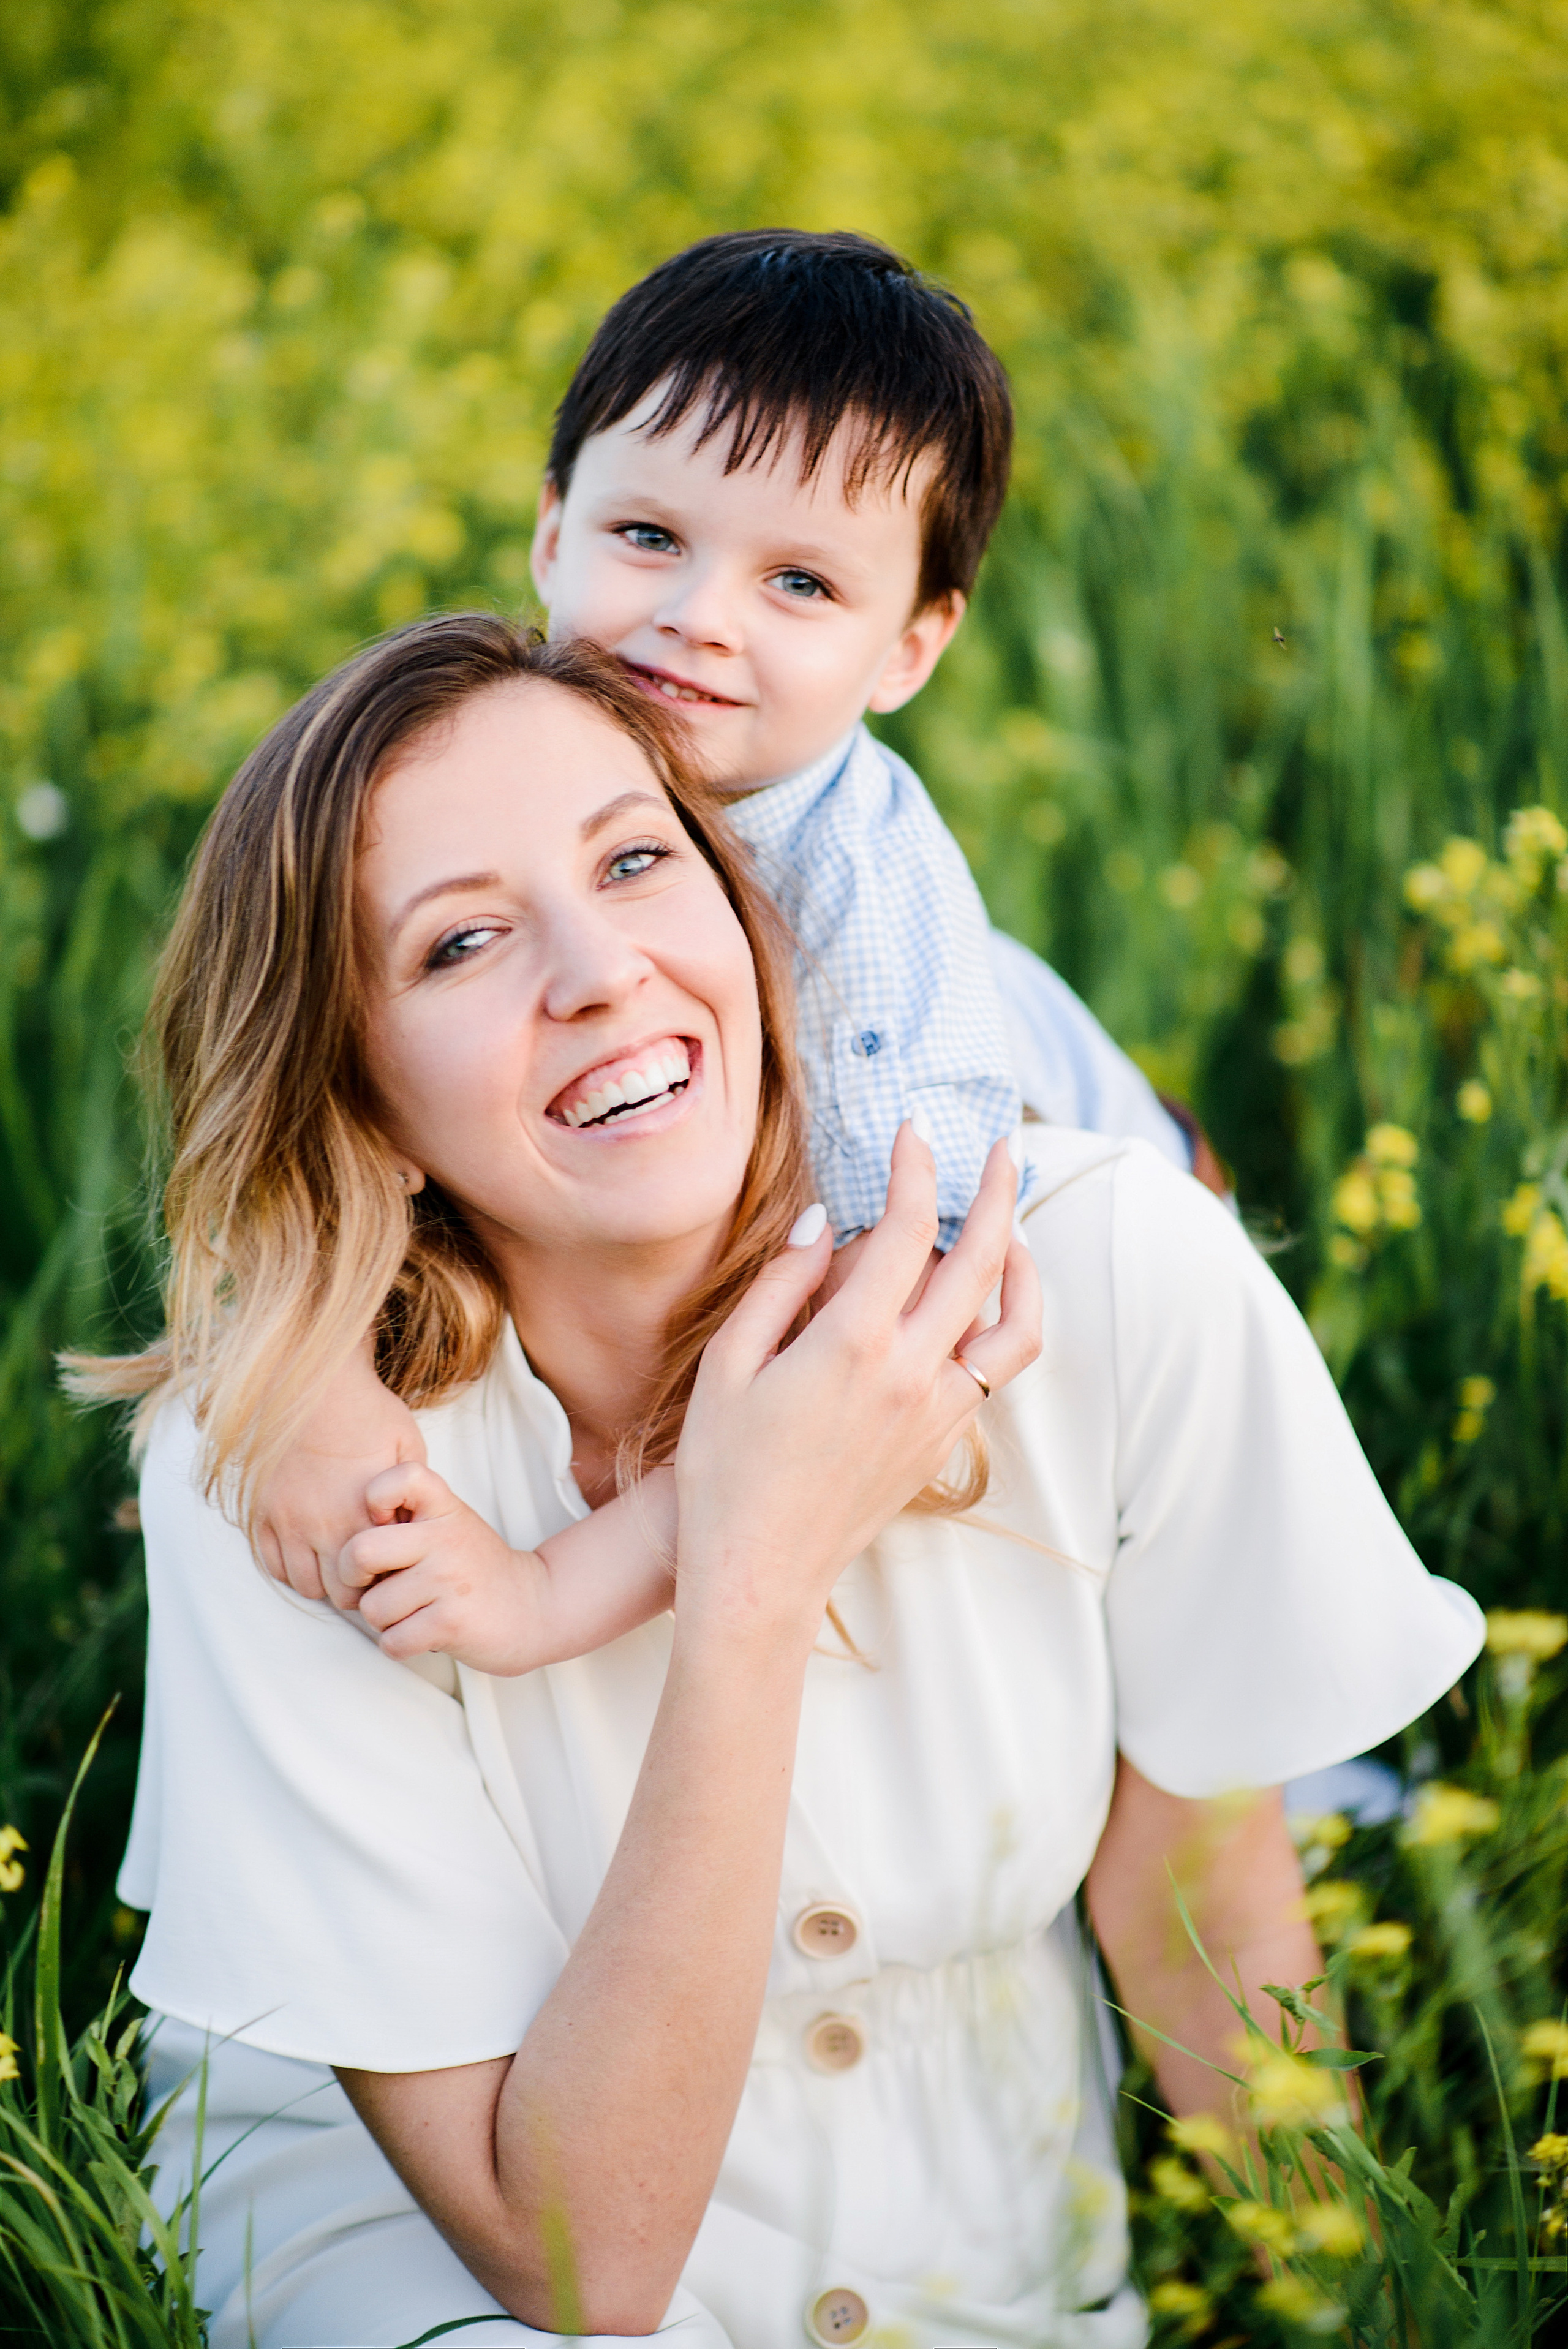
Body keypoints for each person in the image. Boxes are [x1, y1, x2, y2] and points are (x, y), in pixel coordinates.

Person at [97, 616, 1484, 2349]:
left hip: (965, 2263)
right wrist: (745, 1573)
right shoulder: (299, 1475)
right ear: (361, 1098)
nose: (599, 969)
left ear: (752, 911)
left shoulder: (1107, 1270)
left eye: (635, 859)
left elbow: (1198, 1892)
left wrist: (1372, 2307)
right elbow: (568, 2263)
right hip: (445, 2265)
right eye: (459, 942)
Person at [254, 228, 1219, 1598]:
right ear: (549, 531)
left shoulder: (864, 911)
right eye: (647, 537)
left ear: (910, 648)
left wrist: (560, 1588)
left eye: (800, 583)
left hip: (1098, 1246)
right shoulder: (474, 759)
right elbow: (306, 1089)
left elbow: (883, 1336)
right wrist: (310, 1370)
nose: (699, 618)